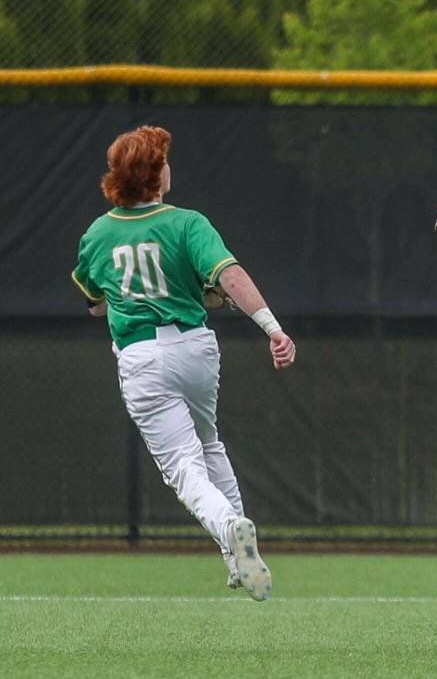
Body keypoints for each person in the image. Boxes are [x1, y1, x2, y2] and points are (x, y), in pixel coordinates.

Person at [71, 126, 296, 602]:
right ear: (155, 176)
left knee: (182, 465)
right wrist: (272, 328)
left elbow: (98, 303)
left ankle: (229, 526)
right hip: (195, 348)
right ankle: (236, 560)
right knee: (209, 443)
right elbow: (228, 276)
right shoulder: (188, 222)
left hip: (143, 358)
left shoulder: (97, 234)